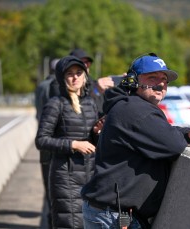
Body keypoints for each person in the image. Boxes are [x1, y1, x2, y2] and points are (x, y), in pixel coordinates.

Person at [81, 53, 190, 229]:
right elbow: (172, 145)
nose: (161, 84)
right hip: (114, 216)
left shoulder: (129, 105)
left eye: (164, 79)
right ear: (133, 81)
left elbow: (158, 131)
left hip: (107, 211)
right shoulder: (137, 110)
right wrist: (183, 135)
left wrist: (186, 133)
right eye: (153, 78)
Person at [35, 55, 102, 228]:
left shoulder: (90, 103)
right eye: (70, 74)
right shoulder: (56, 103)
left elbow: (92, 139)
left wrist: (97, 132)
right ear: (62, 78)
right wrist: (73, 144)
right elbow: (41, 140)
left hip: (90, 175)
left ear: (85, 75)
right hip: (66, 178)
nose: (75, 77)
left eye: (79, 73)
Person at [34, 57, 60, 228]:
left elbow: (37, 112)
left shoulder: (40, 86)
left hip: (44, 139)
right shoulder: (57, 89)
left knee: (48, 184)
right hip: (57, 141)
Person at [69, 48, 122, 117]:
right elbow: (73, 110)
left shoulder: (94, 83)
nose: (85, 65)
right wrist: (96, 92)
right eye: (81, 62)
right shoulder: (60, 84)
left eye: (87, 62)